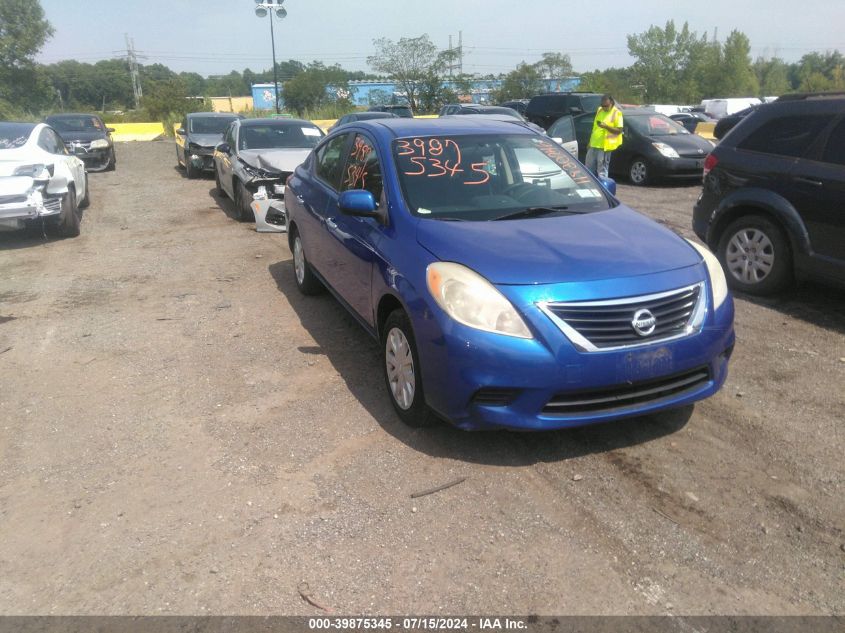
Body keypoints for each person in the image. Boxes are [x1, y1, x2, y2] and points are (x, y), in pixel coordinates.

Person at [585, 95, 624, 179]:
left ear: (611, 103)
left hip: (605, 147)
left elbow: (619, 130)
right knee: (588, 169)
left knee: (602, 172)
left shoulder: (617, 113)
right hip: (594, 144)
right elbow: (594, 128)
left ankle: (602, 189)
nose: (604, 108)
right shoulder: (600, 110)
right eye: (602, 105)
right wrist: (590, 142)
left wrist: (606, 127)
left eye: (606, 106)